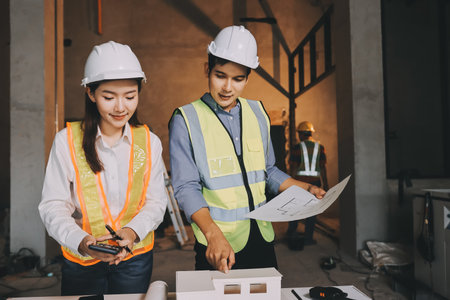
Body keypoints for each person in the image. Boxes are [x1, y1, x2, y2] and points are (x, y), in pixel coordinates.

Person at [169, 26, 326, 273]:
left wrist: (305, 187)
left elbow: (268, 172)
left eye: (238, 79)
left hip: (261, 237)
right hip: (217, 242)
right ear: (206, 69)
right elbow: (185, 187)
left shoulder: (258, 113)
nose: (227, 87)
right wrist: (213, 234)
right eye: (220, 75)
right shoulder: (186, 119)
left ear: (247, 78)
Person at [39, 41, 168, 295]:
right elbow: (53, 205)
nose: (121, 107)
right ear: (90, 93)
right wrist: (82, 242)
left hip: (134, 259)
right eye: (109, 97)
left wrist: (132, 232)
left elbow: (156, 201)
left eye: (130, 96)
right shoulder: (66, 141)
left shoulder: (148, 143)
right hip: (83, 262)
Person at [287, 121, 329, 246]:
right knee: (312, 211)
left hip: (300, 183)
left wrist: (290, 184)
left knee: (294, 209)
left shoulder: (296, 148)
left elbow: (293, 167)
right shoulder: (320, 148)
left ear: (301, 134)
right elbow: (323, 168)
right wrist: (325, 184)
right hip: (315, 184)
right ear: (311, 133)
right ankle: (308, 238)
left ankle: (292, 234)